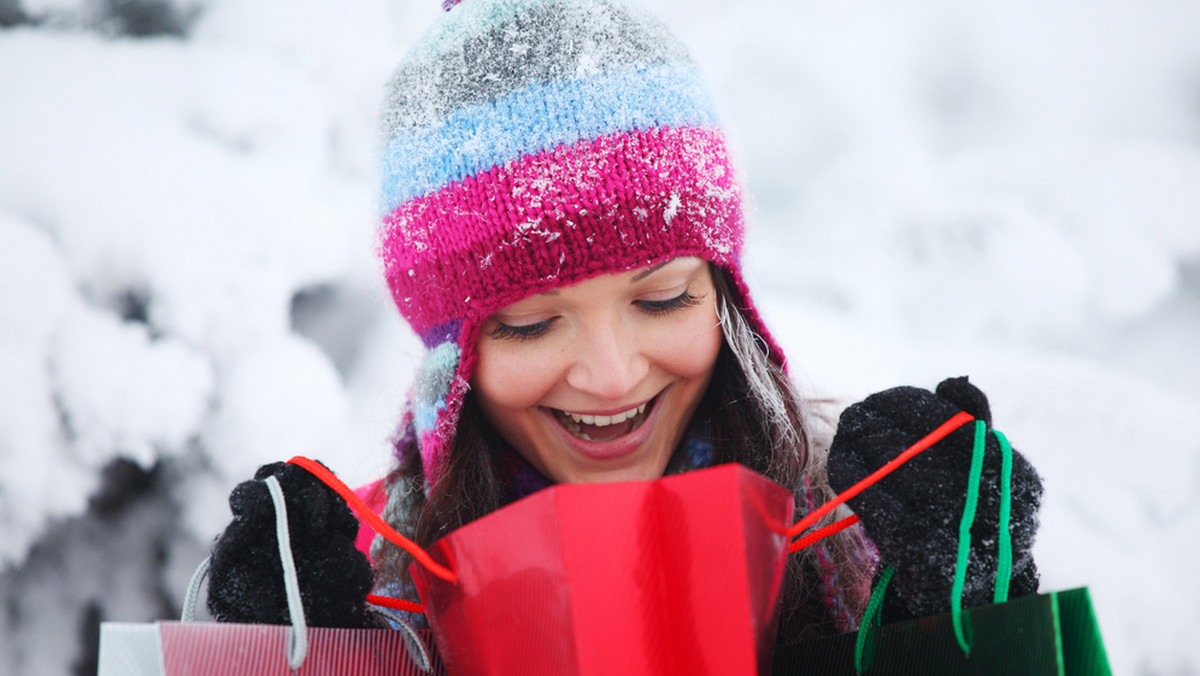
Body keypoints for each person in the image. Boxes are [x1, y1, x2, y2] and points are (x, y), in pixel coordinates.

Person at [206, 0, 1044, 652]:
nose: (611, 376)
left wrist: (961, 621)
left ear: (726, 301)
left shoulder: (857, 530)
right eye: (532, 325)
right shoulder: (353, 578)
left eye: (663, 300)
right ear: (447, 363)